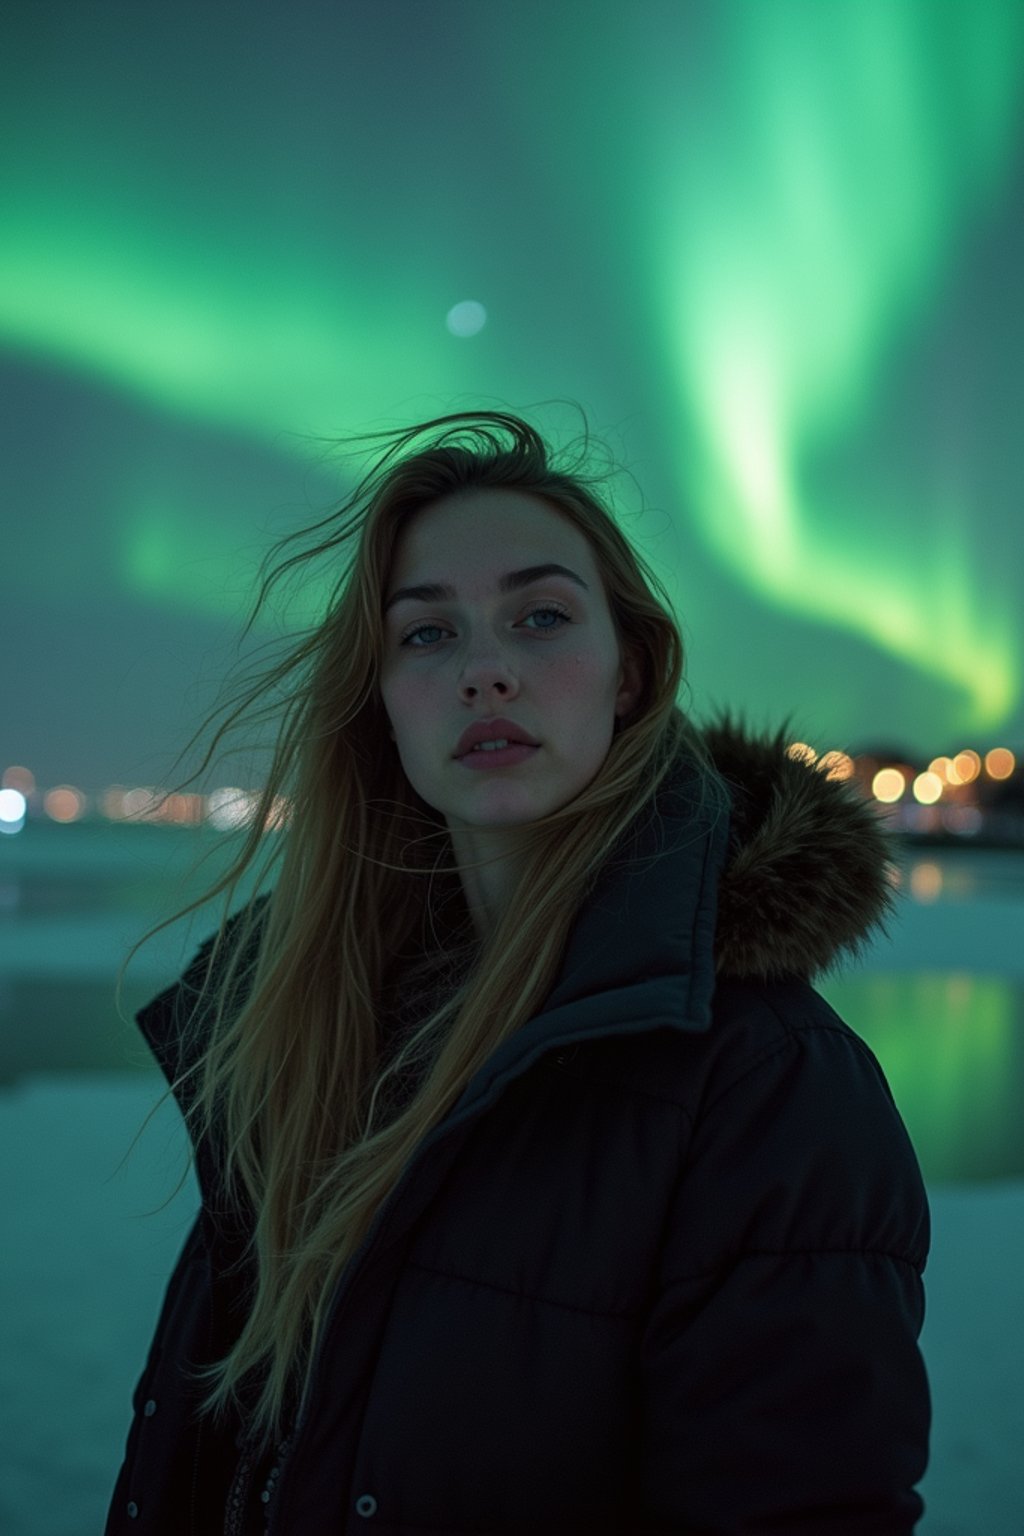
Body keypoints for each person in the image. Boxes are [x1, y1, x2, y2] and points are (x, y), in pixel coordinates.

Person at [105, 410, 931, 1535]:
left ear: (629, 673)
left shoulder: (770, 1081)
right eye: (427, 636)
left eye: (539, 619)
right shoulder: (303, 1028)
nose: (485, 671)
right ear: (381, 698)